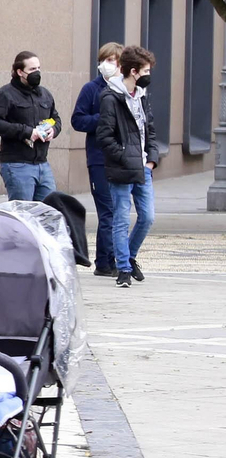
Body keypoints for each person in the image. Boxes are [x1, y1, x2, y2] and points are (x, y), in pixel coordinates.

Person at [96, 45, 159, 288]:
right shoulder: (111, 98)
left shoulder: (142, 96)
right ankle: (122, 269)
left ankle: (129, 257)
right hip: (121, 168)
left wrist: (151, 159)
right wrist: (124, 156)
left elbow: (150, 130)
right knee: (121, 219)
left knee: (147, 217)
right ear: (133, 71)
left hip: (143, 167)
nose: (148, 74)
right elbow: (104, 137)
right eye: (145, 70)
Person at [73, 42, 124, 277]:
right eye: (108, 59)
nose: (111, 64)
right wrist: (102, 119)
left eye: (116, 60)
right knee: (108, 211)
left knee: (119, 211)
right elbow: (78, 120)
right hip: (99, 158)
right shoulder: (91, 89)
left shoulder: (123, 89)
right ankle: (105, 262)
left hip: (121, 159)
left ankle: (111, 258)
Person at [0, 51, 61, 201]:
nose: (37, 73)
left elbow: (56, 118)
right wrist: (27, 132)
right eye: (32, 69)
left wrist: (53, 130)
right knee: (23, 214)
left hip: (42, 163)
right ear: (19, 72)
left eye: (39, 68)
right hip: (17, 165)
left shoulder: (45, 94)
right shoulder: (5, 94)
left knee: (49, 211)